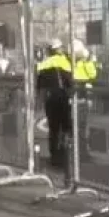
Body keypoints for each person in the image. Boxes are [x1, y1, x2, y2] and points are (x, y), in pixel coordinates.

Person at [36, 40, 73, 168]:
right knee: (67, 127)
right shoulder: (65, 62)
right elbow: (70, 81)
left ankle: (55, 157)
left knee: (54, 129)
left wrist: (39, 100)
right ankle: (66, 156)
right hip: (63, 97)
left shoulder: (44, 63)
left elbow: (39, 84)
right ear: (58, 49)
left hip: (50, 98)